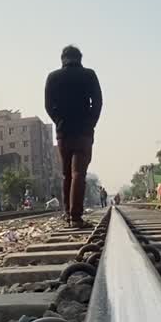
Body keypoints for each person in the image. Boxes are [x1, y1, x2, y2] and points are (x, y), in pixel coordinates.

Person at [45, 45, 103, 227]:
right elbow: (98, 102)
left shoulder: (53, 77)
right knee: (79, 173)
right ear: (80, 58)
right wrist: (90, 123)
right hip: (83, 132)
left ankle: (68, 214)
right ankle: (76, 218)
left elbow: (48, 105)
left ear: (63, 59)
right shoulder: (89, 75)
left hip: (64, 132)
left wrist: (58, 121)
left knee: (67, 174)